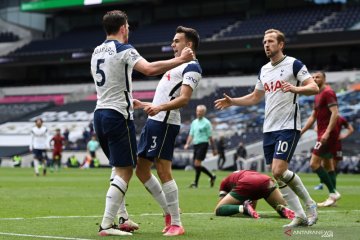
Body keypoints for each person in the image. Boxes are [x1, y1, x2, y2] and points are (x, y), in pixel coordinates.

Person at [91, 10, 194, 237]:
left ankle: (122, 217)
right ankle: (107, 225)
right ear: (123, 28)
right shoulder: (124, 49)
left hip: (99, 114)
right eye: (127, 26)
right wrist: (180, 59)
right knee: (126, 170)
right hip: (117, 115)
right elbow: (148, 69)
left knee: (119, 168)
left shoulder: (96, 51)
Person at [214, 29, 319, 227]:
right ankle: (300, 215)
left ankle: (310, 205)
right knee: (277, 174)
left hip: (288, 125)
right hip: (269, 128)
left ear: (281, 44)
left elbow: (314, 87)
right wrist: (233, 101)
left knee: (279, 171)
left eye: (270, 41)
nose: (266, 45)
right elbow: (255, 97)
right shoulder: (264, 70)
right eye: (264, 42)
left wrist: (296, 88)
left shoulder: (294, 64)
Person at [133, 25, 202, 236]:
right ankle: (169, 212)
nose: (172, 44)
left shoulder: (192, 67)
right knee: (141, 170)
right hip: (155, 120)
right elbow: (163, 98)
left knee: (163, 170)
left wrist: (159, 108)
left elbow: (184, 99)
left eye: (177, 41)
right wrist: (143, 104)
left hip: (166, 122)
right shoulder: (175, 66)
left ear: (188, 44)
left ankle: (177, 223)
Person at [301, 71, 342, 207]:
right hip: (323, 132)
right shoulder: (317, 93)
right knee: (327, 165)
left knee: (314, 164)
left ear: (324, 78)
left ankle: (333, 193)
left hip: (328, 133)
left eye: (317, 77)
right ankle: (333, 198)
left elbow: (335, 113)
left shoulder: (328, 92)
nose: (314, 79)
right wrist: (302, 131)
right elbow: (313, 116)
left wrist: (327, 132)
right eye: (312, 77)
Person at [215, 170, 295, 222]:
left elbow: (221, 205)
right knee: (286, 207)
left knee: (218, 209)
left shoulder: (224, 182)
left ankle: (243, 208)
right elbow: (253, 207)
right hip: (266, 180)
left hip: (248, 182)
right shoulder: (243, 173)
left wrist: (238, 208)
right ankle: (282, 208)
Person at [313, 115, 354, 191]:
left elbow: (351, 129)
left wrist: (343, 136)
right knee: (327, 165)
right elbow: (316, 128)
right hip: (330, 144)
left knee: (331, 166)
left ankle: (331, 187)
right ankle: (325, 185)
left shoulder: (340, 118)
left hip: (333, 144)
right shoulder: (331, 118)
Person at [184, 105, 217, 188]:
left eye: (200, 111)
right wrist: (187, 143)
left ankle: (196, 182)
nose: (198, 113)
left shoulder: (207, 123)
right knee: (196, 165)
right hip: (196, 144)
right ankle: (211, 177)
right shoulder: (194, 122)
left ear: (204, 113)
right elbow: (191, 134)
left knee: (197, 163)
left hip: (204, 144)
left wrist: (214, 149)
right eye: (197, 111)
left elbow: (210, 137)